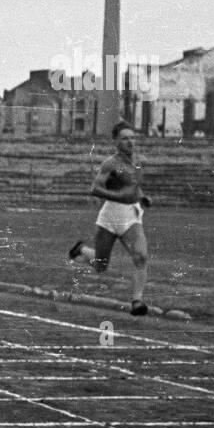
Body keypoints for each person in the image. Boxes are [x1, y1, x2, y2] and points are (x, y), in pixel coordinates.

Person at [68, 120, 151, 316]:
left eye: (132, 137)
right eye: (125, 138)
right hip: (110, 215)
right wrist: (119, 196)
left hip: (131, 214)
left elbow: (133, 186)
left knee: (141, 256)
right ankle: (81, 250)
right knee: (100, 265)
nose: (130, 142)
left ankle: (137, 301)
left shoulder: (139, 161)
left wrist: (142, 197)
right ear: (116, 141)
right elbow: (95, 188)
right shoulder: (110, 163)